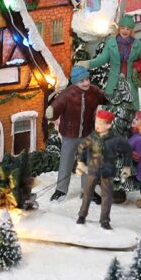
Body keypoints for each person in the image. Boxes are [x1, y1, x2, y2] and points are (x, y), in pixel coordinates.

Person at [46, 65, 107, 202]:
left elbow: (105, 98)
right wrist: (51, 112)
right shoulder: (67, 94)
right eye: (81, 81)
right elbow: (56, 107)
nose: (86, 83)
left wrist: (113, 98)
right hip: (69, 134)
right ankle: (61, 190)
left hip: (87, 133)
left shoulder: (94, 92)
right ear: (75, 82)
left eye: (87, 79)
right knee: (66, 161)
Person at [77, 14, 141, 110]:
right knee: (111, 108)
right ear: (119, 29)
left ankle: (132, 117)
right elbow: (101, 59)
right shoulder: (111, 43)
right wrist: (87, 64)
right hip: (114, 82)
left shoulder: (137, 45)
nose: (125, 31)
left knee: (131, 107)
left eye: (128, 29)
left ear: (131, 31)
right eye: (122, 28)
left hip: (130, 82)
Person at [75, 110, 132, 229]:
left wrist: (127, 166)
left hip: (107, 172)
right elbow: (81, 148)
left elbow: (127, 150)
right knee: (87, 193)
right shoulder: (92, 137)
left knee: (107, 196)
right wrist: (81, 163)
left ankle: (105, 220)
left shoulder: (116, 139)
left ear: (109, 125)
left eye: (101, 123)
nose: (97, 125)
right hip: (93, 170)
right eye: (97, 122)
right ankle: (82, 215)